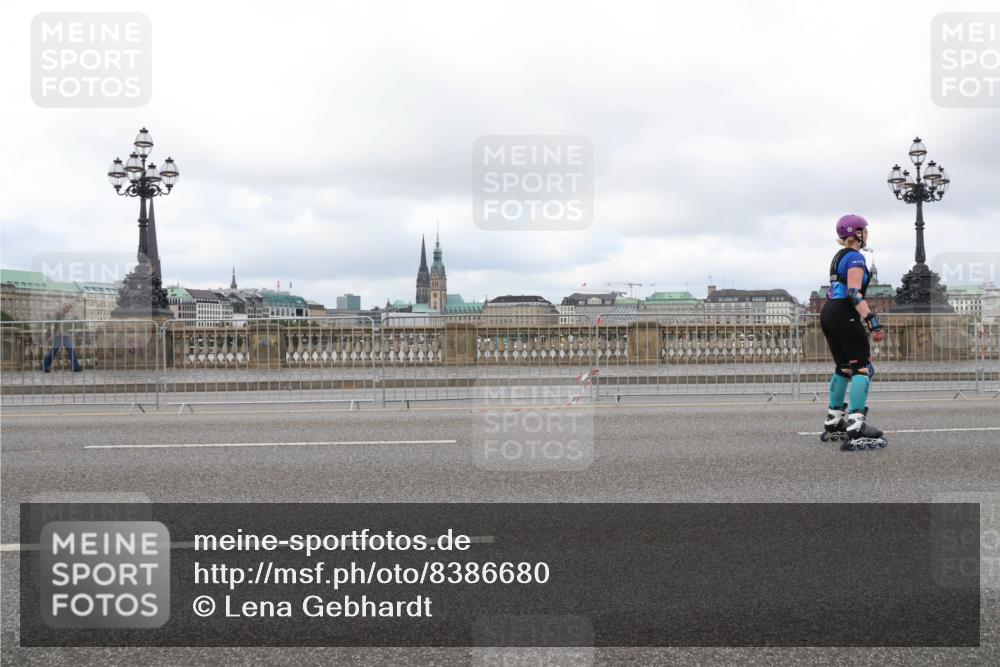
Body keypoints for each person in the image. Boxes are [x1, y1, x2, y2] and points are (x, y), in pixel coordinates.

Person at [820, 214, 887, 450]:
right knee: (862, 368)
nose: (867, 234)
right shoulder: (856, 258)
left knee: (843, 367)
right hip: (845, 312)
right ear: (857, 233)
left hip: (828, 312)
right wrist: (873, 321)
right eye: (865, 230)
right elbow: (854, 293)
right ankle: (857, 424)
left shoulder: (839, 256)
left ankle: (834, 418)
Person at [42, 303, 83, 372]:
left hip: (65, 336)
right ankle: (45, 366)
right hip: (58, 336)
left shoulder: (66, 315)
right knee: (53, 352)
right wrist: (50, 335)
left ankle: (75, 367)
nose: (69, 309)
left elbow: (66, 325)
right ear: (64, 307)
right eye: (68, 308)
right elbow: (52, 324)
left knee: (71, 351)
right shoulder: (58, 314)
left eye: (70, 308)